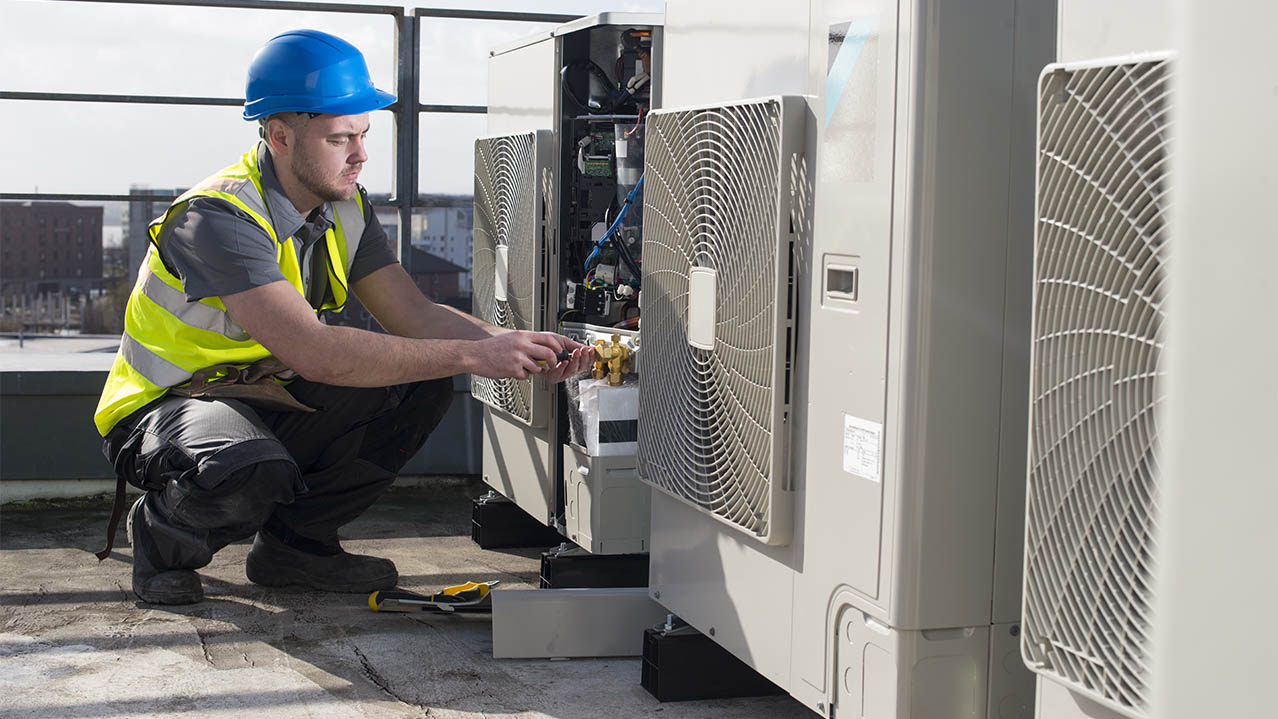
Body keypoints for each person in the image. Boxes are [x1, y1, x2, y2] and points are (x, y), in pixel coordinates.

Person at [92, 29, 594, 605]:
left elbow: (414, 314)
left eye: (363, 135)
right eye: (339, 139)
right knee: (249, 471)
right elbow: (315, 351)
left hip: (266, 394)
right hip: (170, 406)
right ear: (279, 136)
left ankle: (295, 548)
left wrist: (519, 344)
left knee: (419, 382)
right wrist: (478, 354)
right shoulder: (218, 217)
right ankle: (162, 540)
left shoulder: (346, 208)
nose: (359, 155)